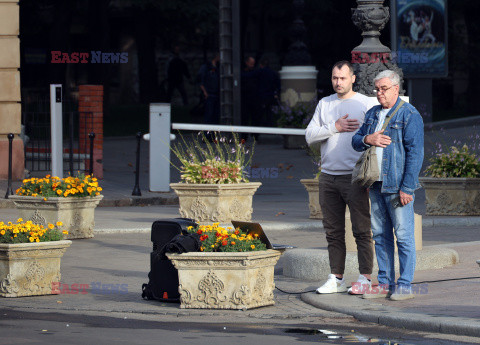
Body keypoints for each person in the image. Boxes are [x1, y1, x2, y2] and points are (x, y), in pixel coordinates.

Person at [352, 70, 424, 301]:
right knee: (380, 235)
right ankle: (384, 283)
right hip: (375, 184)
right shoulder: (373, 113)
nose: (379, 93)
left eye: (383, 88)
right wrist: (367, 139)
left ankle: (404, 285)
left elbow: (416, 154)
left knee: (403, 236)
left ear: (396, 88)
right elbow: (355, 141)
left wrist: (407, 188)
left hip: (397, 186)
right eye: (377, 89)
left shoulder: (409, 114)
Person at [305, 61, 375, 295]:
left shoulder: (366, 103)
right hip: (328, 177)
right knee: (333, 232)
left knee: (362, 230)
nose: (338, 82)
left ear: (352, 78)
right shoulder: (325, 104)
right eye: (335, 78)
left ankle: (365, 277)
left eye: (342, 78)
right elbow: (309, 135)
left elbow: (378, 135)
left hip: (355, 177)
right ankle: (337, 277)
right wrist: (334, 126)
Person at [257, 57, 280, 127]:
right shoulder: (273, 73)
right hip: (271, 96)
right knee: (270, 114)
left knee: (260, 114)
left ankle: (261, 126)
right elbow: (278, 85)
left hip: (262, 96)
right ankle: (270, 126)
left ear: (261, 65)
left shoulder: (260, 72)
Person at [241, 56, 259, 138]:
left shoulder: (254, 72)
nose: (252, 65)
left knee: (255, 117)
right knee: (245, 117)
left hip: (254, 97)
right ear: (247, 63)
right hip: (246, 97)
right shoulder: (251, 72)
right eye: (251, 63)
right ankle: (245, 136)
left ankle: (255, 135)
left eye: (253, 64)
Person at [200, 54, 220, 124]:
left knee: (216, 116)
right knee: (209, 115)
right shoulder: (206, 67)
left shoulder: (219, 67)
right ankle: (207, 134)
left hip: (217, 94)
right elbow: (200, 80)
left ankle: (214, 133)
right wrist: (205, 92)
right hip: (209, 94)